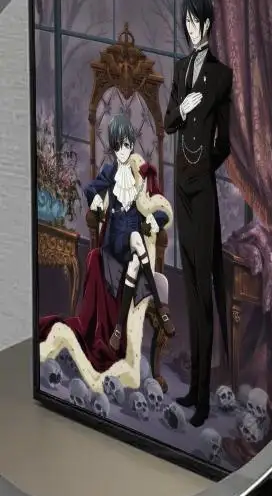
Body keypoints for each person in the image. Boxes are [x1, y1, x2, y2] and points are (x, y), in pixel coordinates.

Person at [39, 113, 173, 369]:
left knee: (136, 257)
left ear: (131, 145)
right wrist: (97, 201)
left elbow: (159, 207)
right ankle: (159, 306)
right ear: (113, 146)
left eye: (127, 145)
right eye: (118, 145)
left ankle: (119, 329)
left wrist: (155, 220)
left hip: (133, 238)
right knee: (136, 244)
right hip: (115, 240)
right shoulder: (110, 172)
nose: (123, 150)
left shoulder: (140, 175)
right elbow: (90, 189)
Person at [164, 0, 233, 427]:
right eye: (186, 22)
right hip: (181, 191)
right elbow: (168, 121)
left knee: (204, 293)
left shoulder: (221, 76)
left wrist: (204, 164)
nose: (191, 29)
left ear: (207, 22)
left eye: (196, 21)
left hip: (202, 190)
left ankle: (204, 397)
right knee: (189, 289)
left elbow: (225, 141)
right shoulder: (179, 68)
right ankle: (193, 388)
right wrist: (185, 108)